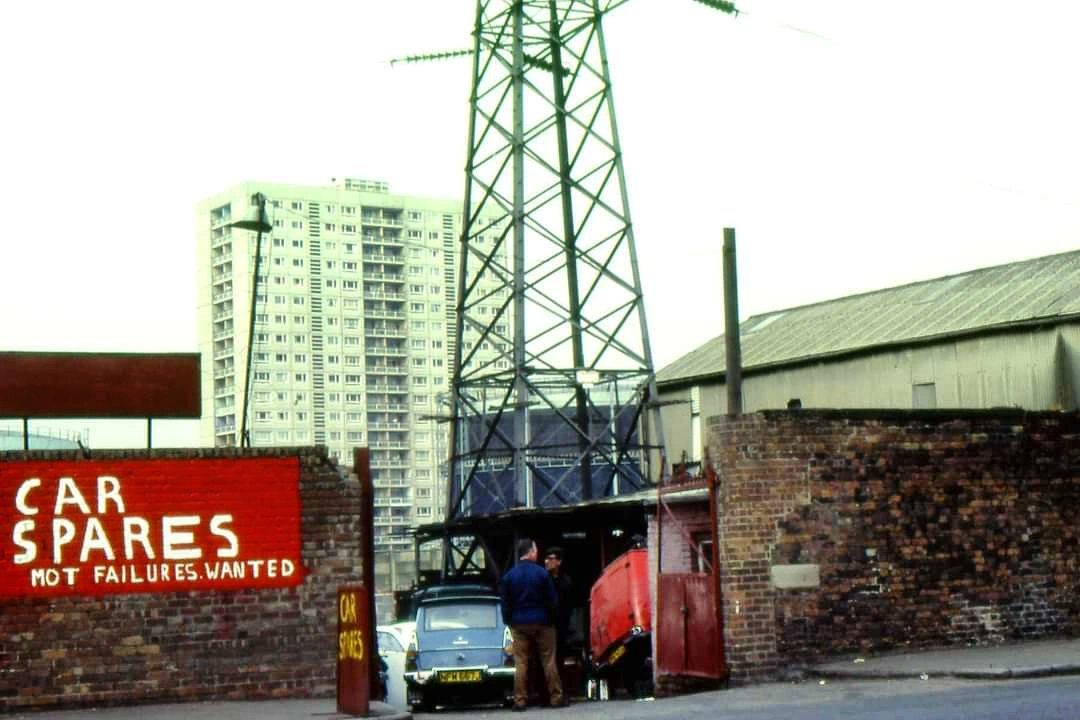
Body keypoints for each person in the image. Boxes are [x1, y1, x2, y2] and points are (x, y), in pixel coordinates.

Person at [500, 538, 566, 711]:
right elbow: (553, 601)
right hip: (543, 622)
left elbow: (505, 604)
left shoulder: (509, 576)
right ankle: (556, 697)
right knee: (548, 660)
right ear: (529, 552)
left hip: (519, 623)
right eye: (535, 550)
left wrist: (509, 621)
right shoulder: (542, 574)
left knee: (521, 662)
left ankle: (520, 700)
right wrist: (553, 619)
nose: (537, 554)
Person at [543, 546, 574, 689]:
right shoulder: (543, 579)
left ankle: (560, 690)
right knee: (545, 659)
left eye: (551, 558)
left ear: (559, 562)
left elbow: (569, 605)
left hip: (561, 625)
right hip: (546, 624)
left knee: (559, 658)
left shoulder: (566, 581)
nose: (547, 561)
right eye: (546, 558)